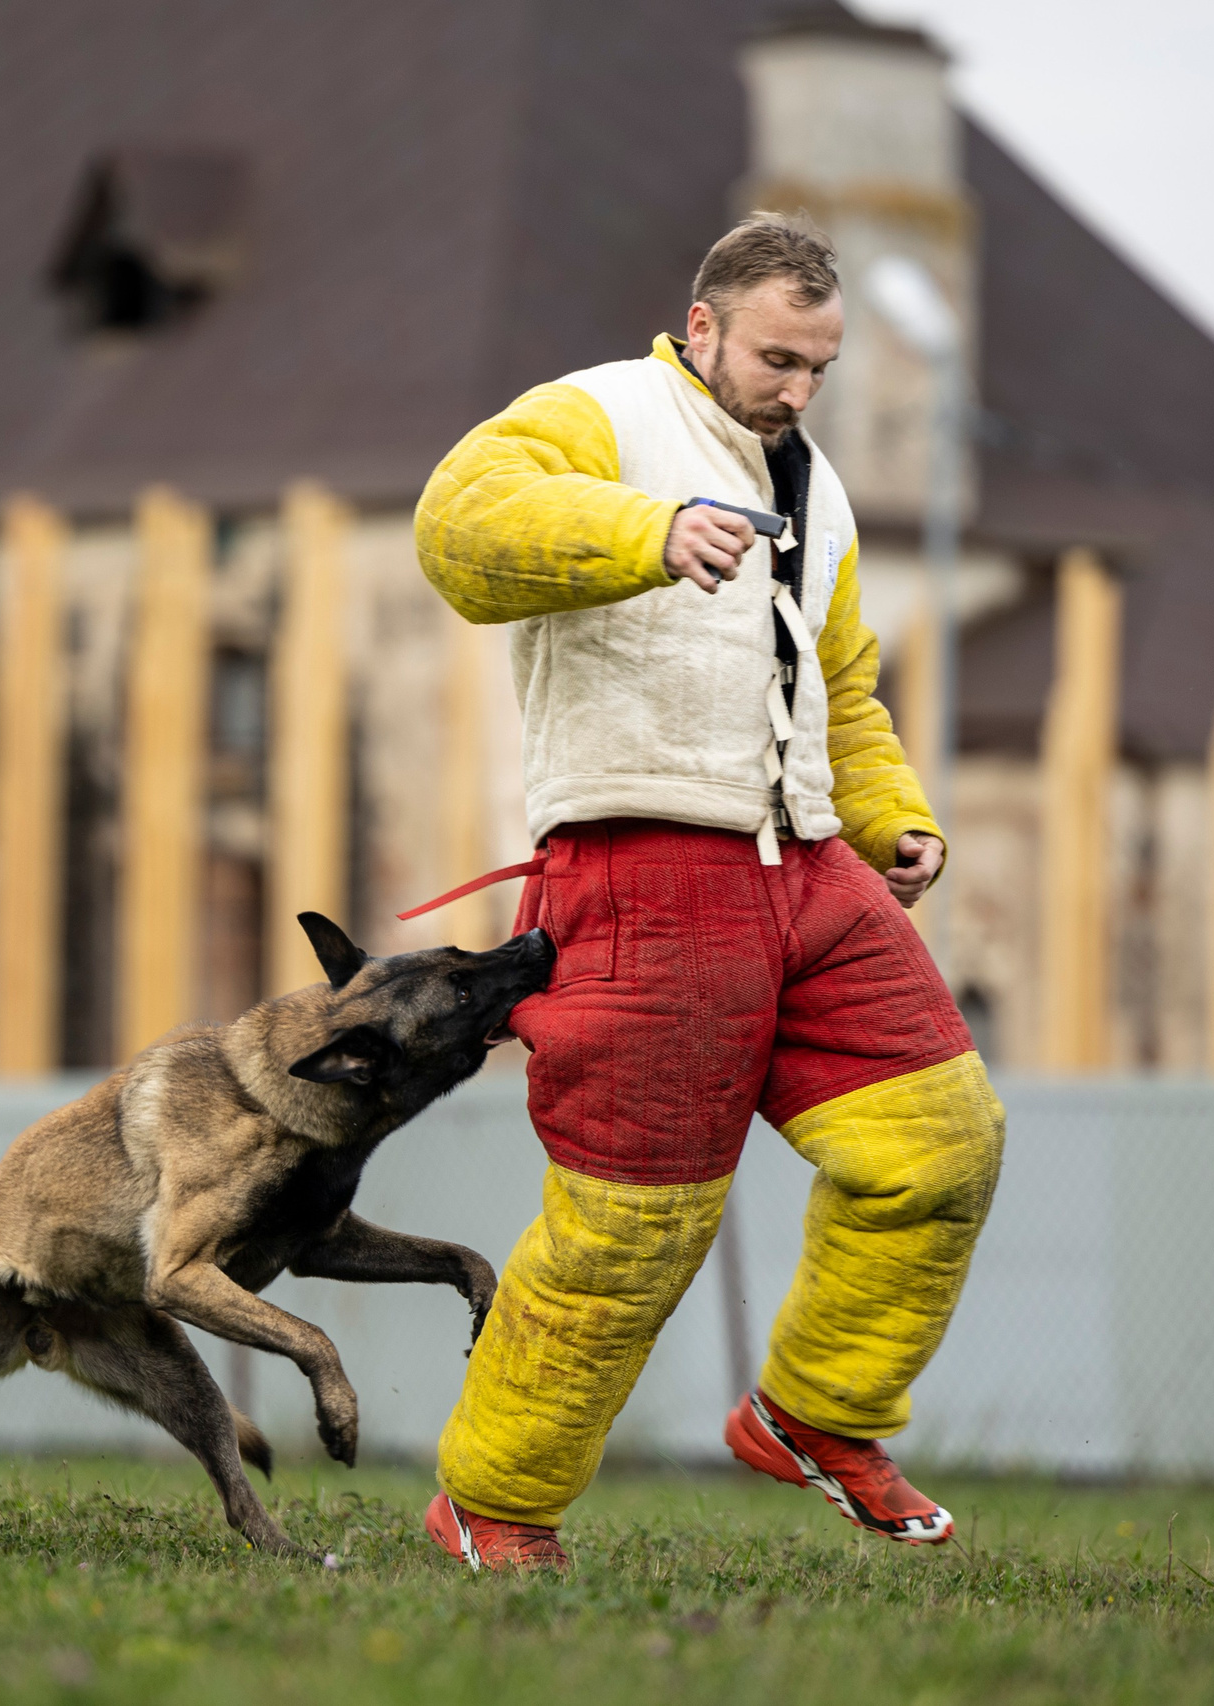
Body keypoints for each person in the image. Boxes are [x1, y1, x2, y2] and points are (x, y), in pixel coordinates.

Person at [410, 216, 1006, 1571]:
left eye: (821, 367)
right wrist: (649, 528)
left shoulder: (824, 491)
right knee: (629, 1229)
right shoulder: (601, 415)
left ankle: (816, 1413)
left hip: (809, 868)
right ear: (703, 327)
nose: (798, 390)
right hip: (642, 869)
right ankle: (494, 1503)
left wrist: (892, 820)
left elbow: (839, 688)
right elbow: (461, 527)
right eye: (778, 358)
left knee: (942, 1144)